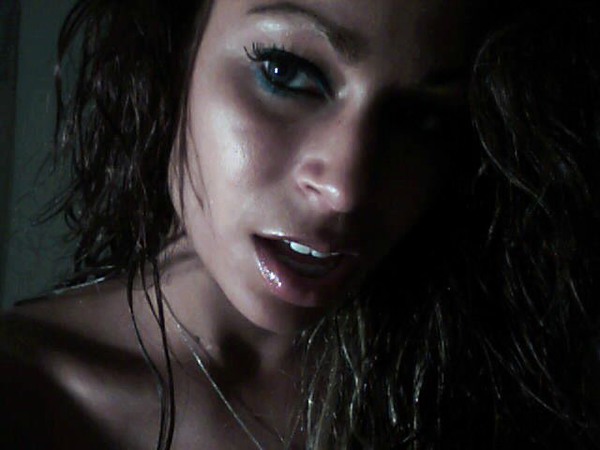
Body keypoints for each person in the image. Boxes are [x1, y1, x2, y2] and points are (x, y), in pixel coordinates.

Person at [1, 0, 599, 448]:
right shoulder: (28, 394)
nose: (346, 189)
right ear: (178, 49)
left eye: (423, 117)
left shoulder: (500, 385)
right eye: (285, 72)